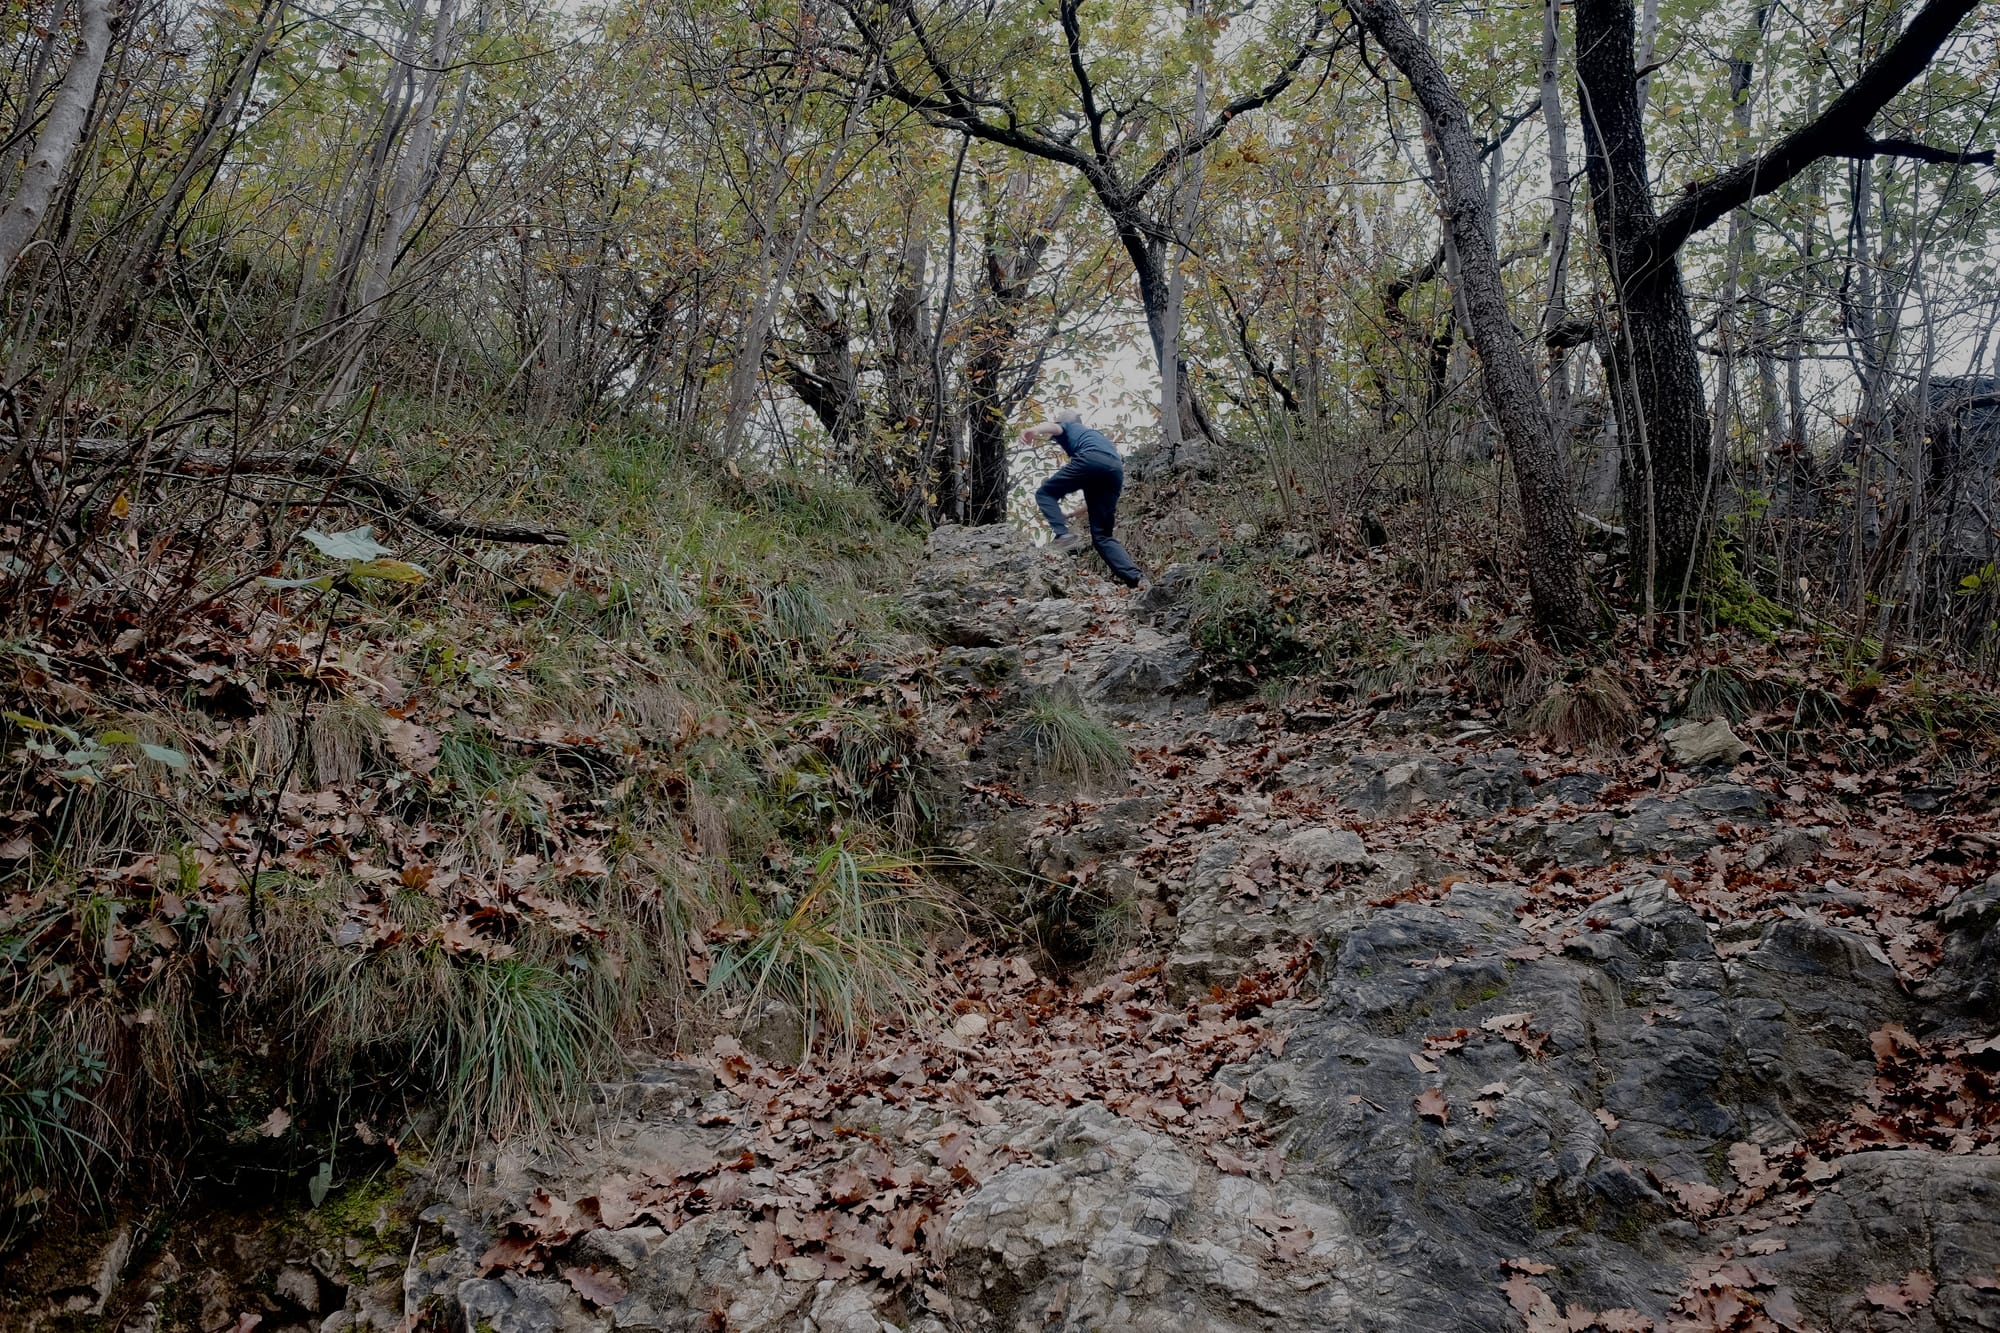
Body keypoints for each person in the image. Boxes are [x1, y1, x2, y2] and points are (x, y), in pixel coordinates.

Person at [1019, 409, 1145, 588]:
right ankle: (1137, 579)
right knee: (1102, 536)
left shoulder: (1069, 426)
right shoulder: (1096, 437)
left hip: (1090, 459)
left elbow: (1053, 427)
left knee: (1045, 493)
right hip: (1115, 470)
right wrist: (1070, 515)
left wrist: (1034, 429)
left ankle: (1063, 535)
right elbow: (1093, 503)